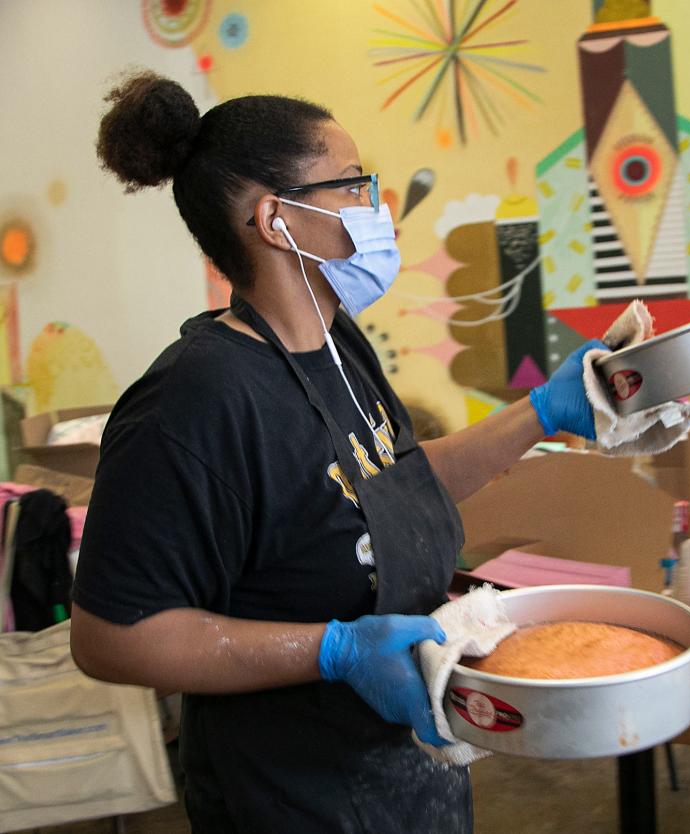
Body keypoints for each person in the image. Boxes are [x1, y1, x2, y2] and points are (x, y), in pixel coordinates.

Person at [69, 71, 603, 833]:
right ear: (273, 219)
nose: (378, 208)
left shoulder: (334, 341)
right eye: (354, 185)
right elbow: (110, 637)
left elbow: (389, 489)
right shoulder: (195, 400)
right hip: (291, 798)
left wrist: (543, 413)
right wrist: (335, 651)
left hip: (409, 774)